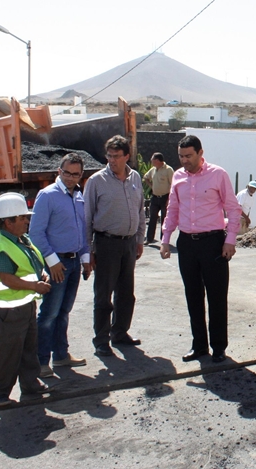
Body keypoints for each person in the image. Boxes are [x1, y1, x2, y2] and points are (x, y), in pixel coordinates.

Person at [160, 135, 242, 364]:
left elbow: (233, 209)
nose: (184, 160)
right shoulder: (178, 177)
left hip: (213, 243)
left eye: (189, 156)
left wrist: (230, 240)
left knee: (217, 297)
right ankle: (199, 346)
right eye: (181, 156)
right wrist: (166, 238)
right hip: (186, 243)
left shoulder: (218, 174)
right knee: (193, 296)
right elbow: (172, 209)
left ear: (200, 153)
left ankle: (218, 347)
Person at [29, 153, 91, 378]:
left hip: (74, 262)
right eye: (66, 173)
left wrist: (85, 259)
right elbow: (35, 233)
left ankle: (61, 356)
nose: (70, 177)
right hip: (58, 263)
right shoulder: (47, 196)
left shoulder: (78, 197)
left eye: (75, 174)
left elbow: (82, 231)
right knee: (49, 314)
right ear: (59, 171)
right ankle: (41, 360)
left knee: (64, 311)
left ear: (80, 175)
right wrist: (52, 262)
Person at [0, 192, 52, 406]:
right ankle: (0, 394)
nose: (27, 220)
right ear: (8, 221)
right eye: (22, 217)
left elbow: (30, 265)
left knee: (28, 348)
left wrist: (41, 275)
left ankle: (30, 384)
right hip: (9, 310)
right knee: (10, 353)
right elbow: (7, 279)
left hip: (24, 305)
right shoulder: (1, 247)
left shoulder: (21, 240)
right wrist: (35, 286)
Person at [84, 135, 146, 357]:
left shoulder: (135, 178)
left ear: (127, 156)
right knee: (103, 295)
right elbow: (87, 218)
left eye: (116, 156)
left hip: (128, 244)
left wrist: (139, 240)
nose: (112, 160)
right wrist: (88, 251)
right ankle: (101, 340)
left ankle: (120, 332)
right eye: (109, 156)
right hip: (106, 243)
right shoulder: (96, 181)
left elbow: (141, 211)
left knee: (126, 294)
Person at [143, 152, 174, 244]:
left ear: (157, 160)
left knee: (164, 219)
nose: (151, 161)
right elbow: (145, 178)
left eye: (152, 160)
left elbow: (173, 184)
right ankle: (149, 239)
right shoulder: (153, 170)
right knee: (152, 217)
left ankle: (163, 239)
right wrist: (151, 186)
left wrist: (169, 199)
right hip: (155, 197)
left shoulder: (168, 170)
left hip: (165, 197)